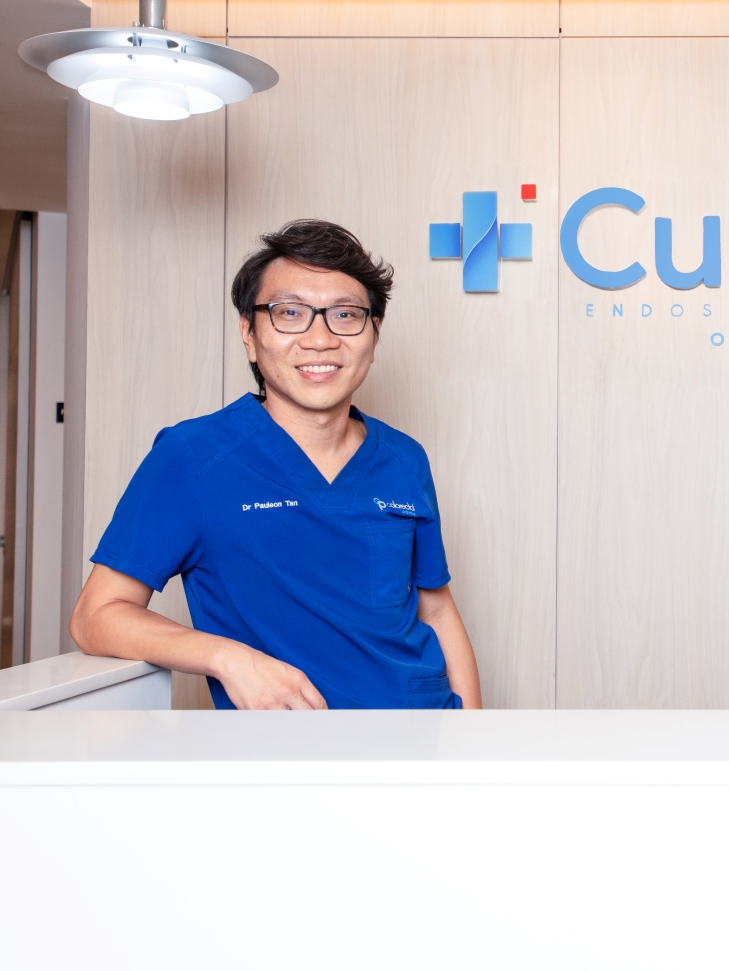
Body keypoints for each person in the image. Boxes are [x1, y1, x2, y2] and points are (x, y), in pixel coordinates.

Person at [70, 220, 482, 710]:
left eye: (345, 315)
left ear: (374, 334)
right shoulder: (194, 456)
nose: (320, 339)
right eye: (290, 313)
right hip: (289, 747)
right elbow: (96, 616)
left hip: (425, 734)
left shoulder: (405, 458)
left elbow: (436, 611)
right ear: (249, 333)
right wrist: (229, 658)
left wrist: (471, 738)